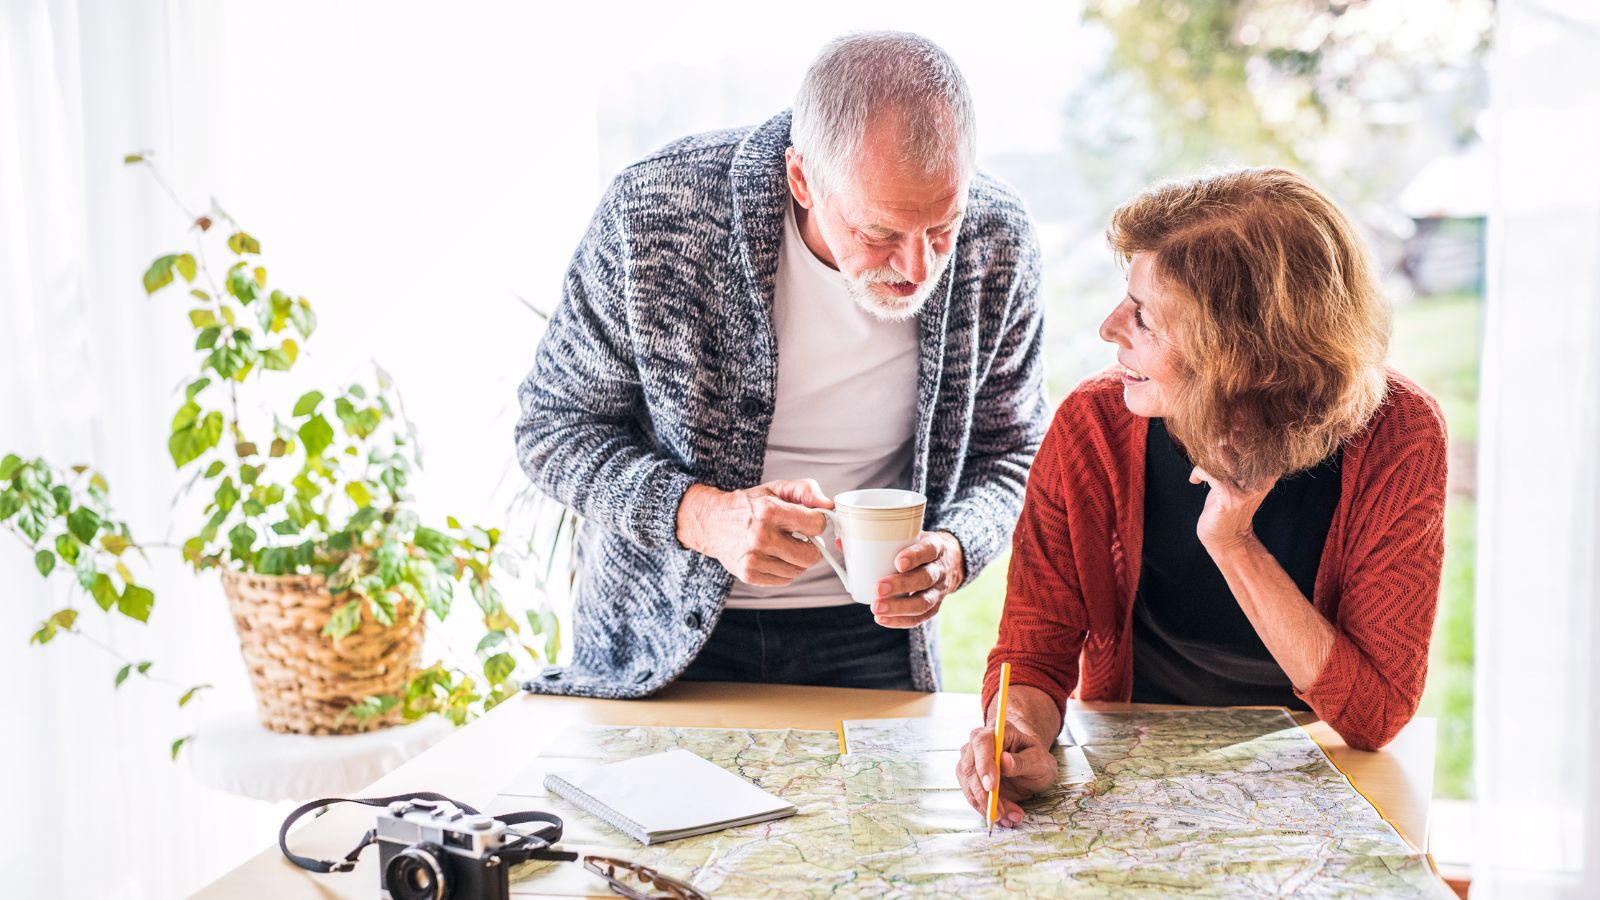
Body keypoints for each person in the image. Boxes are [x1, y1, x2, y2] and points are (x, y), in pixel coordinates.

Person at [515, 32, 1045, 699]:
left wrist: (959, 548)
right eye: (878, 233)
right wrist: (703, 516)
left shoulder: (998, 239)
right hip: (662, 641)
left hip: (873, 636)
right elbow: (552, 429)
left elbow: (1013, 450)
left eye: (942, 228)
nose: (918, 270)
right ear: (802, 178)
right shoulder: (656, 213)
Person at [956, 168, 1448, 827]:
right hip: (1133, 774)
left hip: (1310, 783)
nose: (1108, 329)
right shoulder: (1094, 425)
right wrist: (1016, 732)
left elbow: (1373, 717)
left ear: (1242, 353)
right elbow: (1035, 648)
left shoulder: (1399, 435)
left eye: (1144, 319)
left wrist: (1232, 541)